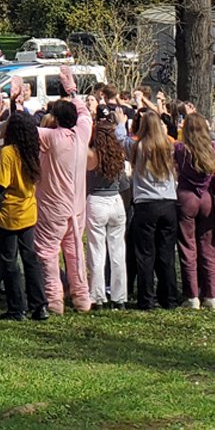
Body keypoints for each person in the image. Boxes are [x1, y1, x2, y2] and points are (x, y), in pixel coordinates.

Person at [33, 66, 93, 314]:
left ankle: (55, 299)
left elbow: (23, 129)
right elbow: (86, 113)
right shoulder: (82, 134)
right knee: (75, 251)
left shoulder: (49, 136)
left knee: (47, 252)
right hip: (76, 208)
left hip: (51, 208)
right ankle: (81, 298)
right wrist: (72, 91)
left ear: (55, 119)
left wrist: (15, 104)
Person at [0, 109, 48, 320]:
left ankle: (17, 307)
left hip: (10, 212)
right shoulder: (32, 150)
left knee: (10, 260)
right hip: (28, 210)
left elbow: (1, 183)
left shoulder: (8, 152)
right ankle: (39, 305)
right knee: (30, 258)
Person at [124, 108, 179, 311]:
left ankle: (146, 299)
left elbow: (120, 138)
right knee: (166, 254)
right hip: (168, 203)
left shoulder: (137, 146)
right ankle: (169, 298)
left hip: (146, 204)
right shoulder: (169, 146)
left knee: (145, 254)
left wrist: (125, 122)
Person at [174, 111, 215, 309]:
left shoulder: (181, 148)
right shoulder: (212, 148)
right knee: (209, 247)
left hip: (186, 196)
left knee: (188, 246)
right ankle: (212, 294)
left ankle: (192, 295)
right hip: (207, 197)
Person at [85, 104, 128, 309]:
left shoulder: (91, 155)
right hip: (116, 201)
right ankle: (119, 297)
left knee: (97, 251)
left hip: (97, 202)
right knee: (118, 252)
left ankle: (98, 296)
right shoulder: (118, 153)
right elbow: (125, 183)